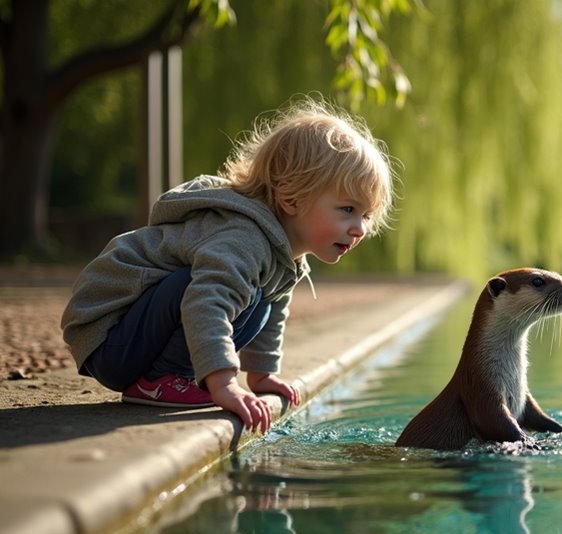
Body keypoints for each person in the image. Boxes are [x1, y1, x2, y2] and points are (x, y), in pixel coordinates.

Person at [61, 97, 395, 433]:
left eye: (366, 216)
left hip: (137, 335)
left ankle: (172, 375)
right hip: (109, 335)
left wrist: (262, 375)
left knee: (261, 300)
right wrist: (224, 384)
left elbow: (272, 314)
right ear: (291, 199)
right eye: (347, 210)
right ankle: (160, 380)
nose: (360, 228)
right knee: (228, 291)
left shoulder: (284, 254)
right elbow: (206, 301)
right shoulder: (244, 236)